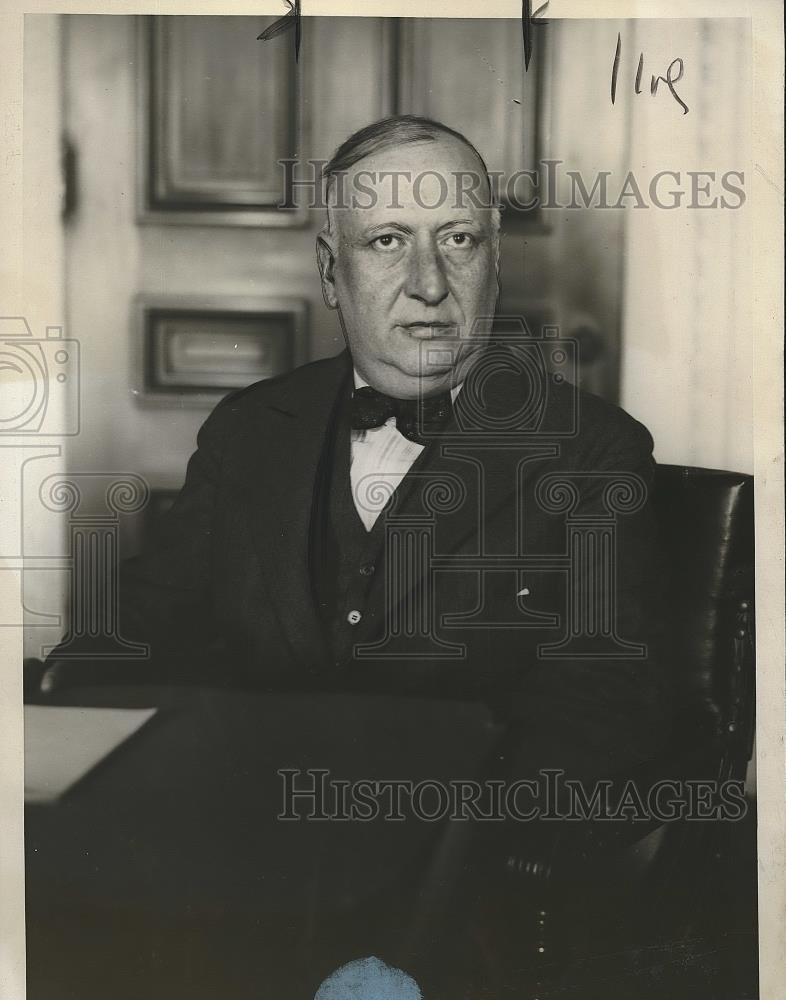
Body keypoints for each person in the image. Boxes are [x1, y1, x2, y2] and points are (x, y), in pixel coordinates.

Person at [44, 114, 670, 990]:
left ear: (496, 260)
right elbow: (147, 624)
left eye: (458, 239)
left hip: (449, 893)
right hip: (226, 859)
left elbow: (601, 708)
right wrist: (55, 710)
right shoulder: (249, 430)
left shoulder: (593, 452)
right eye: (387, 241)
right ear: (331, 270)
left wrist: (445, 868)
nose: (429, 282)